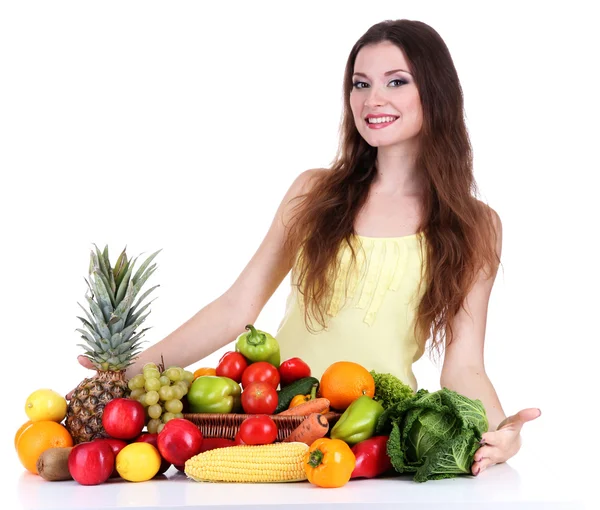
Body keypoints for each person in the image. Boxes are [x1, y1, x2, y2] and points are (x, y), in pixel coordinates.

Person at [72, 19, 540, 476]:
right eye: (360, 84)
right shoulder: (313, 193)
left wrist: (503, 431)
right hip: (271, 418)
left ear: (435, 93)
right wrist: (127, 372)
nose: (373, 100)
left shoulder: (476, 225)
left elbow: (464, 366)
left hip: (367, 439)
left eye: (396, 82)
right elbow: (237, 307)